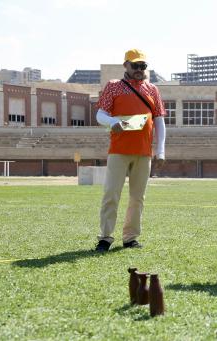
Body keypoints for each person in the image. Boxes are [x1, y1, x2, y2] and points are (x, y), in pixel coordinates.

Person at [94, 48, 166, 252]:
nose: (139, 69)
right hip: (119, 150)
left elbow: (159, 120)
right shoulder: (114, 86)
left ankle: (130, 237)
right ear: (125, 65)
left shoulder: (152, 89)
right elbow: (100, 114)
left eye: (143, 66)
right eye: (135, 65)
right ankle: (105, 237)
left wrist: (160, 150)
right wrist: (111, 122)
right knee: (111, 194)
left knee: (137, 197)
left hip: (144, 152)